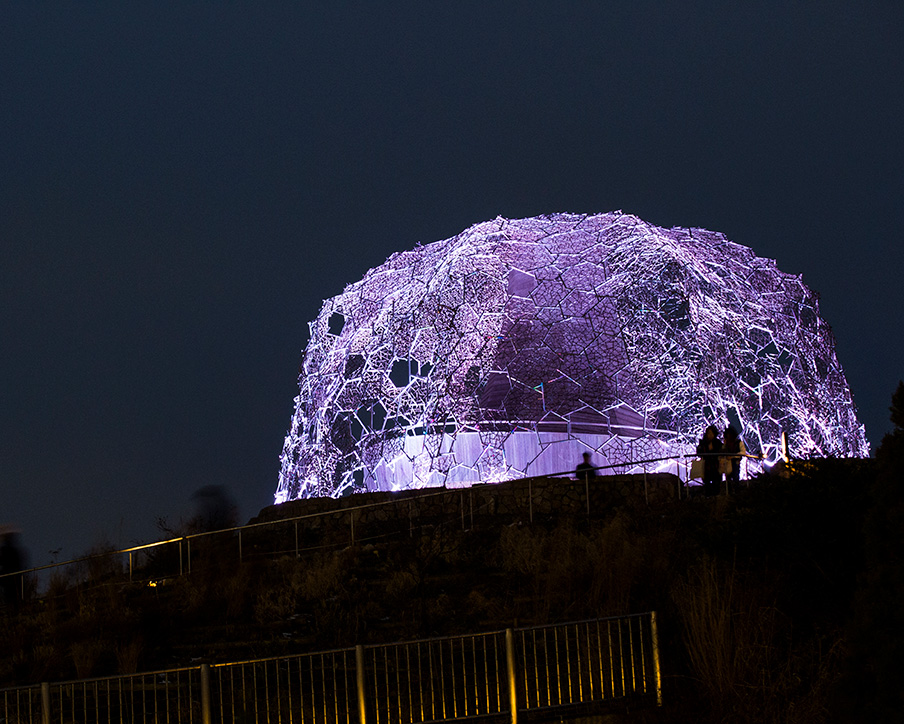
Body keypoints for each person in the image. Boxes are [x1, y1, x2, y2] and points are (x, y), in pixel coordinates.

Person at [696, 425, 723, 497]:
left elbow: (721, 452)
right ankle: (707, 495)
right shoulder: (703, 443)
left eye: (711, 433)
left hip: (715, 465)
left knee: (716, 481)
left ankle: (716, 495)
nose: (710, 435)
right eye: (708, 433)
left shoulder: (717, 443)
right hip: (706, 464)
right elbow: (699, 453)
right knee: (706, 481)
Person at [720, 425, 746, 491]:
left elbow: (743, 452)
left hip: (735, 462)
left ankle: (736, 490)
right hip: (728, 462)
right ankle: (730, 490)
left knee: (735, 476)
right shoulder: (726, 444)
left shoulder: (738, 443)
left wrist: (733, 456)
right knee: (728, 477)